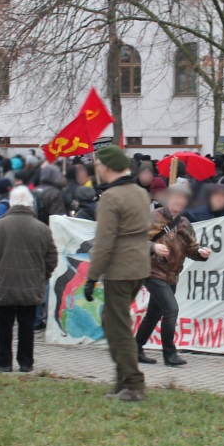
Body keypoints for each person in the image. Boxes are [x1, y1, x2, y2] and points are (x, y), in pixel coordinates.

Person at [85, 146, 151, 402]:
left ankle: (133, 384)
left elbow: (104, 242)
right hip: (139, 266)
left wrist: (92, 276)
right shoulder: (139, 192)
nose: (97, 168)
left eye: (99, 164)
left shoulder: (111, 198)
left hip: (120, 269)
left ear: (106, 166)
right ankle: (123, 380)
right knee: (114, 323)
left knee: (117, 328)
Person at [0, 186, 58, 373]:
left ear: (11, 203)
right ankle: (26, 362)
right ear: (30, 205)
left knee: (3, 325)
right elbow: (52, 258)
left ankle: (3, 362)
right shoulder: (42, 229)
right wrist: (43, 276)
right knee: (27, 325)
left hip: (3, 284)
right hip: (31, 284)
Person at [135, 182, 210, 366]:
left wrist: (200, 252)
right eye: (176, 197)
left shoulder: (184, 223)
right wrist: (153, 247)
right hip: (152, 271)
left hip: (171, 274)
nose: (179, 201)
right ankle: (170, 354)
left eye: (183, 199)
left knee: (154, 313)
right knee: (171, 309)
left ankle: (135, 349)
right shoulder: (153, 217)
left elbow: (191, 248)